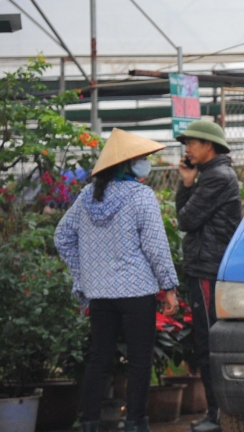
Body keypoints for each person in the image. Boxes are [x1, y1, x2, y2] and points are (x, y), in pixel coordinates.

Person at [55, 129, 180, 432]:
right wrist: (170, 287)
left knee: (99, 361)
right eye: (141, 158)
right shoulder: (141, 196)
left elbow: (62, 237)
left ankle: (88, 422)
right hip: (136, 292)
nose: (146, 163)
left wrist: (84, 274)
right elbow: (155, 245)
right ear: (126, 164)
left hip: (100, 295)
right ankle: (135, 423)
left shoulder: (86, 198)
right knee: (139, 362)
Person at [175, 120, 241, 432]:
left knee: (208, 342)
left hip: (208, 267)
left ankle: (218, 414)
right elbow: (185, 216)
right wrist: (188, 183)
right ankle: (217, 412)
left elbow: (186, 220)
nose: (187, 148)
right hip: (205, 266)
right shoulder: (211, 175)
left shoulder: (216, 176)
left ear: (208, 145)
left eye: (191, 142)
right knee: (206, 341)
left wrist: (187, 185)